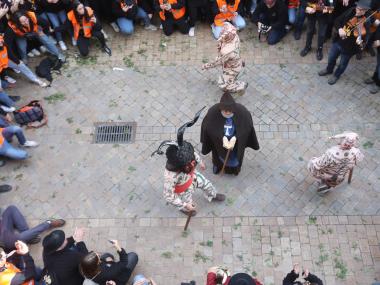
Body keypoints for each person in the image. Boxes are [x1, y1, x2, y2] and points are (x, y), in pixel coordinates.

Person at [151, 108, 226, 217]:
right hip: (183, 189)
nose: (192, 163)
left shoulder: (185, 152)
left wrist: (200, 162)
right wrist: (184, 204)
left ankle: (212, 195)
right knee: (188, 202)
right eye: (189, 162)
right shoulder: (170, 177)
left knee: (207, 184)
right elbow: (168, 196)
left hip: (193, 177)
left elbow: (193, 154)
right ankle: (186, 209)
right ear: (179, 165)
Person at [201, 92, 260, 176]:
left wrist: (235, 137)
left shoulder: (242, 112)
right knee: (218, 155)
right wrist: (222, 138)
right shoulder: (213, 112)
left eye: (230, 111)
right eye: (225, 111)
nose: (228, 113)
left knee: (235, 157)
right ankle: (217, 166)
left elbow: (247, 126)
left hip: (236, 143)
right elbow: (208, 128)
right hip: (219, 143)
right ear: (221, 109)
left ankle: (235, 170)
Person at [318, 0, 372, 85]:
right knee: (331, 58)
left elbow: (366, 38)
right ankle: (329, 69)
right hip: (338, 42)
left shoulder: (367, 21)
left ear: (366, 11)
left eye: (361, 10)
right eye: (358, 8)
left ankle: (336, 75)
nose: (358, 11)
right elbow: (337, 21)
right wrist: (339, 29)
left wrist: (360, 41)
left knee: (343, 64)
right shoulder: (350, 11)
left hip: (349, 48)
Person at [202, 22, 247, 93]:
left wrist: (207, 65)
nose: (222, 30)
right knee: (231, 78)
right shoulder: (235, 36)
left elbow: (219, 62)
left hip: (232, 68)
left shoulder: (226, 51)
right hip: (236, 62)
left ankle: (240, 87)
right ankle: (233, 81)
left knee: (224, 84)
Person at [0, 205, 65, 249]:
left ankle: (28, 237)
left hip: (2, 226)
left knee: (11, 208)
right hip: (2, 239)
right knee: (18, 238)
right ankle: (49, 223)